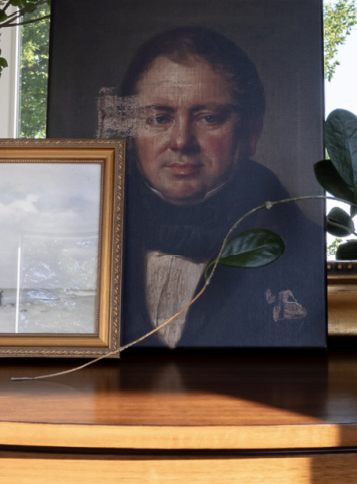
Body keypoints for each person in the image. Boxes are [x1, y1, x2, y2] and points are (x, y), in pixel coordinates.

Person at [116, 26, 324, 348]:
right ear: (131, 134)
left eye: (208, 117)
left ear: (250, 133)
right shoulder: (89, 234)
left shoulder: (304, 247)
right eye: (159, 118)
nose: (182, 140)